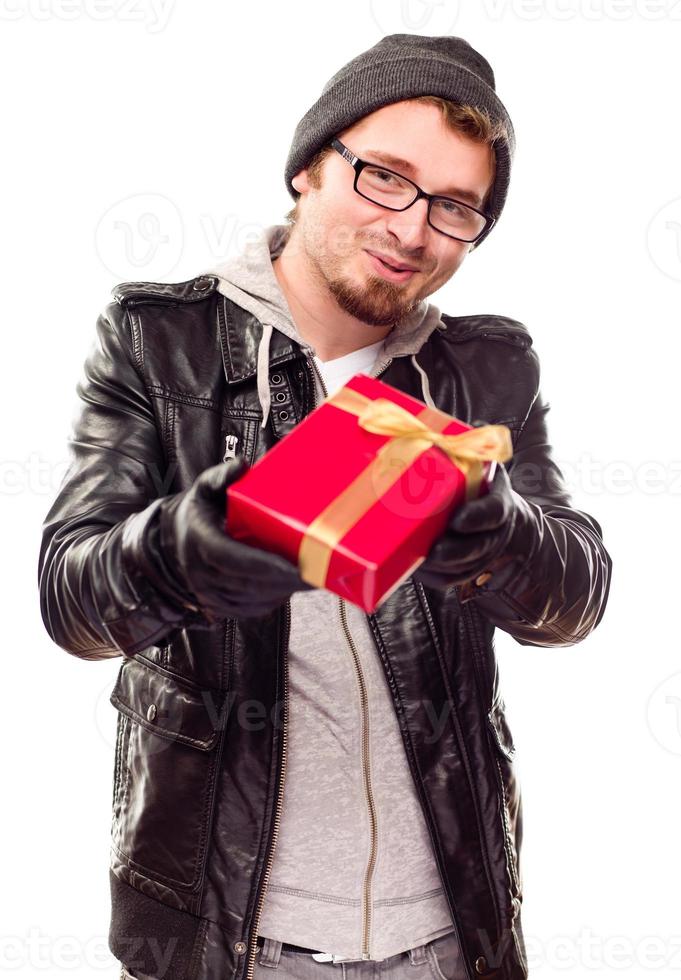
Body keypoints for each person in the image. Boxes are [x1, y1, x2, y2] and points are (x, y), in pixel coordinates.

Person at [38, 33, 612, 980]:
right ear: (309, 166)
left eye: (455, 206)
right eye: (384, 176)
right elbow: (71, 598)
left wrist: (497, 534)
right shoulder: (156, 339)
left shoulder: (486, 365)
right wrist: (182, 553)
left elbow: (575, 597)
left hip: (449, 932)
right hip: (227, 931)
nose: (412, 227)